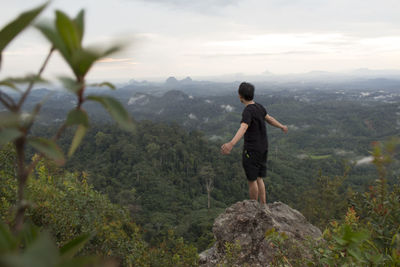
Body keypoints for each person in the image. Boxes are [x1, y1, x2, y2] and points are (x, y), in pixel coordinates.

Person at [221, 82, 288, 209]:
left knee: (252, 180)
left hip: (252, 150)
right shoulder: (259, 107)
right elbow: (270, 119)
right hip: (263, 147)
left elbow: (243, 127)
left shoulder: (247, 111)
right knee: (259, 178)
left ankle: (253, 209)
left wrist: (231, 144)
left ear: (240, 96)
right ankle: (263, 206)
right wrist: (282, 126)